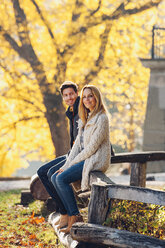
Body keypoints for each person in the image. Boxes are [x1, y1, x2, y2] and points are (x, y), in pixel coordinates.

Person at [50, 85, 111, 234]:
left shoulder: (102, 118)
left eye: (90, 96)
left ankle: (74, 216)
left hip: (96, 159)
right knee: (54, 176)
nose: (87, 100)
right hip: (85, 158)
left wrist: (71, 164)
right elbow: (77, 146)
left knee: (61, 179)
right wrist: (66, 164)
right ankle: (70, 215)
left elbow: (91, 148)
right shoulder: (86, 117)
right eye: (84, 97)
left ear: (97, 98)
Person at [37, 81, 80, 225]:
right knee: (42, 171)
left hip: (80, 155)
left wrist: (68, 163)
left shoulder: (82, 110)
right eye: (66, 95)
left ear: (77, 93)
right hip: (72, 153)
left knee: (53, 174)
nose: (69, 98)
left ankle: (68, 213)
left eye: (71, 94)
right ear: (63, 98)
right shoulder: (71, 112)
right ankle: (64, 211)